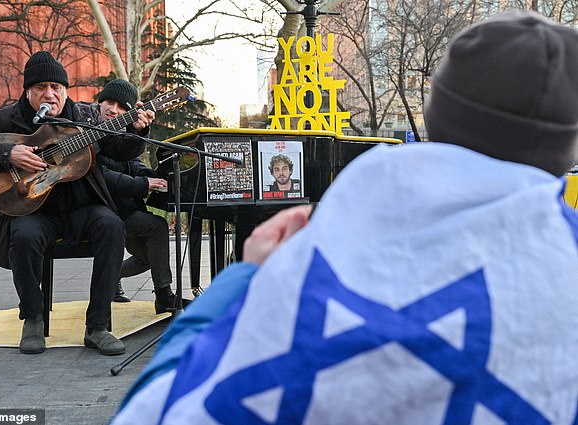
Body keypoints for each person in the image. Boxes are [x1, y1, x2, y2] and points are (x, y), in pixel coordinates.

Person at [111, 10, 578, 424]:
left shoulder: (319, 250)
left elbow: (160, 407)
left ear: (437, 113)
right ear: (566, 147)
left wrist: (242, 279)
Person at [0, 51, 155, 356]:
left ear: (65, 90)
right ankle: (32, 318)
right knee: (24, 235)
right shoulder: (6, 119)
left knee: (111, 226)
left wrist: (138, 131)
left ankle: (98, 326)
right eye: (41, 87)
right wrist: (8, 155)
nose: (50, 93)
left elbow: (119, 150)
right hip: (33, 209)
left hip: (83, 207)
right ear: (27, 91)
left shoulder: (84, 117)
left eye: (56, 87)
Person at [89, 79, 176, 312]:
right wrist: (142, 184)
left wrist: (154, 179)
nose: (113, 109)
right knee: (157, 226)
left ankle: (111, 275)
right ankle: (164, 295)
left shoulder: (123, 136)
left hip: (128, 208)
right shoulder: (88, 130)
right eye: (109, 102)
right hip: (106, 210)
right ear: (100, 102)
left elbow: (134, 163)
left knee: (148, 258)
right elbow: (101, 174)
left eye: (121, 107)